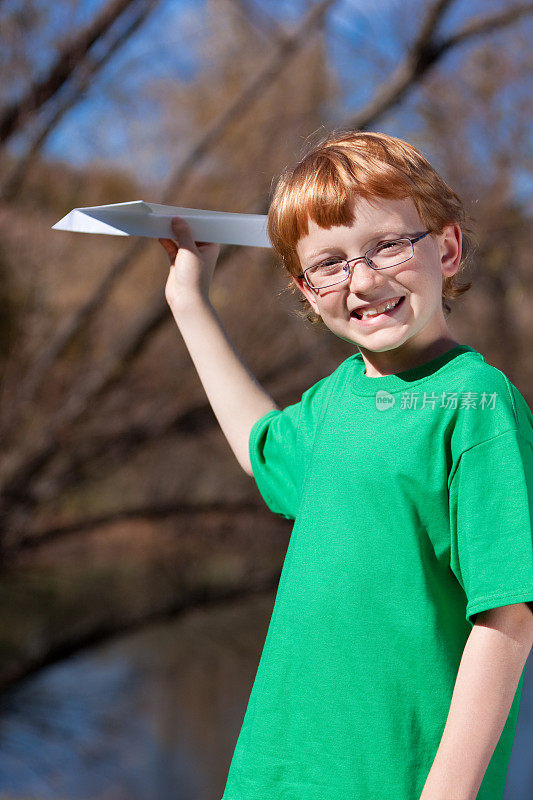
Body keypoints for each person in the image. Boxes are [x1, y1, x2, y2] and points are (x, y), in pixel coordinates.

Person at [159, 130, 533, 800]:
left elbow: (507, 616)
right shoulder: (336, 397)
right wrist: (189, 302)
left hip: (394, 781)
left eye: (387, 244)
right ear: (304, 291)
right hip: (272, 776)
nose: (361, 280)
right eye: (328, 264)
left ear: (445, 249)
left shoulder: (477, 403)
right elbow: (259, 447)